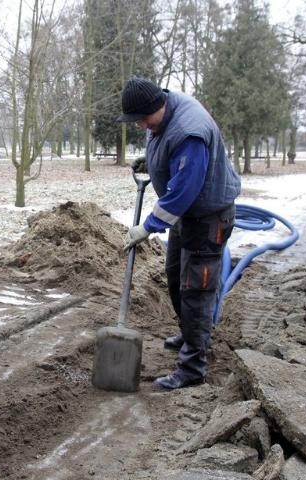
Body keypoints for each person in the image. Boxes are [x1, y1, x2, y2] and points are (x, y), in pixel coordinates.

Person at [116, 77, 240, 390]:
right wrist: (155, 160)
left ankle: (192, 368)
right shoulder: (163, 114)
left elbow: (184, 190)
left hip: (207, 218)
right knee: (175, 276)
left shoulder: (190, 132)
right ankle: (189, 333)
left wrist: (148, 227)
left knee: (196, 292)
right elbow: (165, 143)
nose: (141, 126)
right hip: (186, 217)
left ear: (157, 107)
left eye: (143, 119)